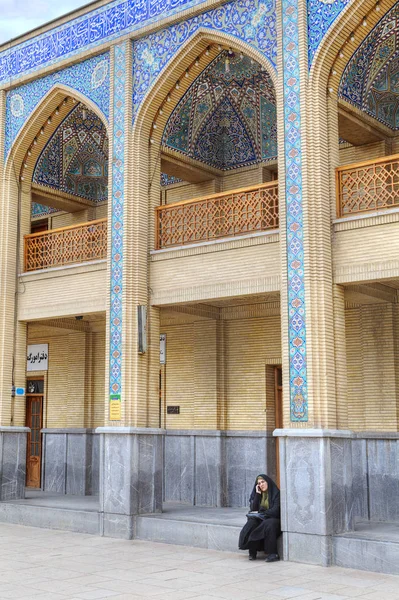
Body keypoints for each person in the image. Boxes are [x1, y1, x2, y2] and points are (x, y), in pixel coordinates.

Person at [238, 473, 281, 561]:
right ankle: (252, 552)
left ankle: (273, 554)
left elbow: (276, 510)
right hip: (262, 519)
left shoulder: (276, 493)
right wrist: (257, 494)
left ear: (268, 482)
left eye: (263, 482)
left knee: (269, 523)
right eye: (259, 483)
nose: (261, 485)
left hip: (274, 520)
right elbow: (254, 509)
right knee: (252, 522)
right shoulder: (258, 494)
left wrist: (263, 512)